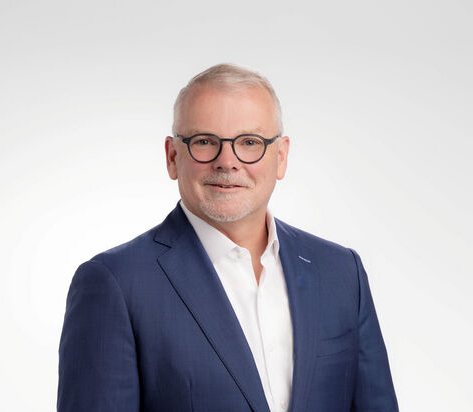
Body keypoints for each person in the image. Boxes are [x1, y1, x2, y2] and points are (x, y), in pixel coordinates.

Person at [57, 63, 398, 412]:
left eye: (250, 142)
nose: (227, 161)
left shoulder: (341, 272)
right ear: (172, 157)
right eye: (205, 142)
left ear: (281, 157)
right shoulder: (115, 284)